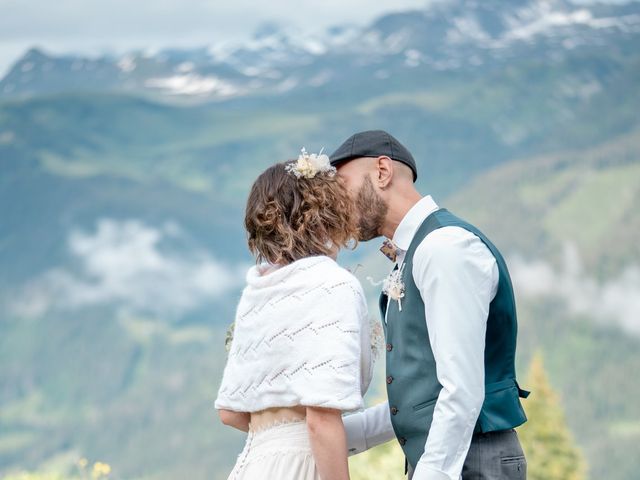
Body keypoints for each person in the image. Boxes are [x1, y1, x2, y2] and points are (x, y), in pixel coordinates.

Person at [331, 130, 530, 480]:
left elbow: (461, 390)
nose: (336, 203)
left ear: (382, 171)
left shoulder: (444, 248)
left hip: (471, 463)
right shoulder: (417, 253)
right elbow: (424, 396)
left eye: (342, 186)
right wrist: (330, 436)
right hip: (453, 460)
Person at [214, 149, 375, 480]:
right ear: (325, 213)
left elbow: (230, 413)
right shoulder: (333, 285)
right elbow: (319, 419)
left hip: (252, 465)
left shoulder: (257, 291)